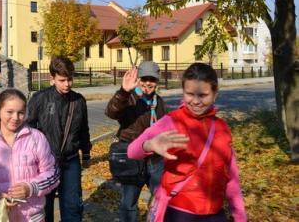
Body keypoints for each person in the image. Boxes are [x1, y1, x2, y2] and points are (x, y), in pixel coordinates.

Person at [128, 63, 247, 222]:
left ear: (215, 94)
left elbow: (231, 176)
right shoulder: (171, 121)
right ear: (183, 92)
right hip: (180, 213)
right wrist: (149, 145)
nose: (196, 101)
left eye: (203, 95)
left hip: (215, 213)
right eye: (190, 94)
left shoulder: (222, 128)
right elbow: (131, 151)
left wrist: (240, 215)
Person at [27, 56, 92, 222]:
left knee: (72, 206)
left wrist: (86, 154)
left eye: (70, 79)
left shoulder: (78, 101)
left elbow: (83, 129)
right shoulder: (39, 99)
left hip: (70, 161)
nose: (67, 84)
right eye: (62, 80)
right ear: (52, 79)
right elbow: (28, 130)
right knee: (44, 207)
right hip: (44, 163)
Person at [0, 89, 59, 221]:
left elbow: (53, 173)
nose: (15, 118)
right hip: (2, 216)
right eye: (9, 112)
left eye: (20, 113)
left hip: (33, 217)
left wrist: (31, 187)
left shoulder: (36, 138)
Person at [106, 61, 167, 222]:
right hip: (133, 158)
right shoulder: (129, 98)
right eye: (144, 78)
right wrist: (123, 92)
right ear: (139, 79)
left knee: (161, 200)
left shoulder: (159, 102)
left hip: (154, 160)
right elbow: (111, 111)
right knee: (128, 203)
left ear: (157, 81)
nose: (148, 83)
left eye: (152, 79)